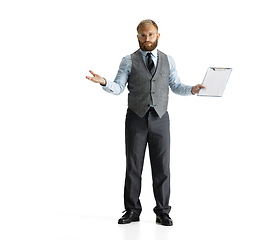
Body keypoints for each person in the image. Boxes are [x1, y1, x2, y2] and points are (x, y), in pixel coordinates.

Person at [86, 19, 205, 226]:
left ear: (158, 35)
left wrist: (192, 90)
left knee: (162, 167)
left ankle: (162, 212)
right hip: (136, 118)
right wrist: (104, 82)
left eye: (150, 34)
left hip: (161, 119)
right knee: (133, 166)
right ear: (137, 36)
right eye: (142, 35)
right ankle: (132, 210)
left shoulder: (169, 60)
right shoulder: (128, 60)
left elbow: (176, 86)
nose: (146, 39)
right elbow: (118, 87)